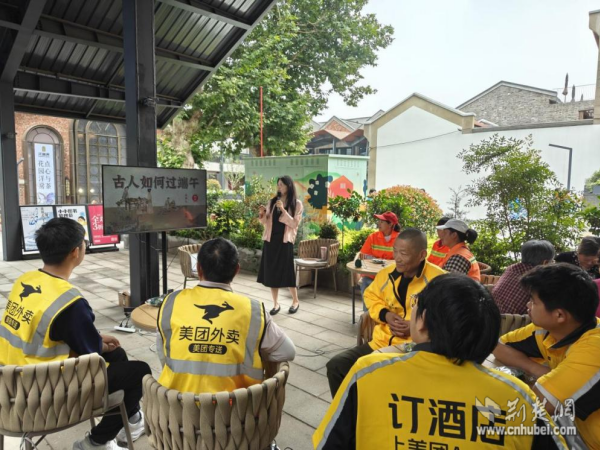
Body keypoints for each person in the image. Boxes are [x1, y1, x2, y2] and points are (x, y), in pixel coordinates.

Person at [314, 274, 567, 449]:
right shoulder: (517, 396)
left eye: (416, 304)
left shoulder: (368, 373)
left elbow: (329, 444)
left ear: (422, 321)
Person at [0, 218, 151, 450]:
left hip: (11, 386)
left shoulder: (25, 280)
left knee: (118, 355)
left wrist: (97, 339)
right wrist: (99, 344)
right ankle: (96, 442)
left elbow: (48, 330)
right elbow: (91, 353)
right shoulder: (69, 302)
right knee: (140, 371)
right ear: (75, 252)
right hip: (46, 394)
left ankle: (132, 419)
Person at [157, 238, 295, 394]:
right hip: (236, 406)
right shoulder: (253, 310)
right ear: (237, 270)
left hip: (177, 405)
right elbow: (288, 352)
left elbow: (162, 354)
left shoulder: (170, 302)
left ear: (198, 268)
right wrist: (254, 352)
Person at [326, 228, 445, 396]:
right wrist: (385, 315)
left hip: (415, 348)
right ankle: (353, 410)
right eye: (395, 251)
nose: (397, 258)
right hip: (380, 342)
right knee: (336, 366)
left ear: (421, 255)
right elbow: (370, 295)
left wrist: (415, 327)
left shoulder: (439, 281)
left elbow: (447, 318)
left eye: (403, 253)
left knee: (388, 380)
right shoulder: (386, 274)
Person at [493, 263, 600, 449]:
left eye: (533, 301)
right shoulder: (549, 330)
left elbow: (536, 405)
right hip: (573, 428)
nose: (528, 305)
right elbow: (498, 346)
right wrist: (536, 369)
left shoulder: (594, 348)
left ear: (559, 315)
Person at [257, 176, 303, 315]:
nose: (279, 187)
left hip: (285, 242)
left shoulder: (297, 204)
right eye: (278, 185)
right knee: (272, 273)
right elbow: (265, 223)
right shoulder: (272, 201)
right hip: (270, 241)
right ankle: (276, 304)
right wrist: (262, 214)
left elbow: (294, 224)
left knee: (288, 272)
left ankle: (295, 301)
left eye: (281, 184)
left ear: (289, 186)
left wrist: (283, 210)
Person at [493, 240, 555, 314]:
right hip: (514, 320)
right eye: (552, 261)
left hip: (491, 314)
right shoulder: (538, 279)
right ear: (545, 263)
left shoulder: (511, 268)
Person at [357, 211, 400, 307]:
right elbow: (364, 255)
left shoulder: (400, 238)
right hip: (372, 275)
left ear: (391, 224)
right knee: (366, 282)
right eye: (379, 221)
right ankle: (368, 313)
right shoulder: (372, 237)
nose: (378, 223)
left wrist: (379, 260)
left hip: (392, 276)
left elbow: (401, 259)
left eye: (382, 221)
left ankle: (385, 312)